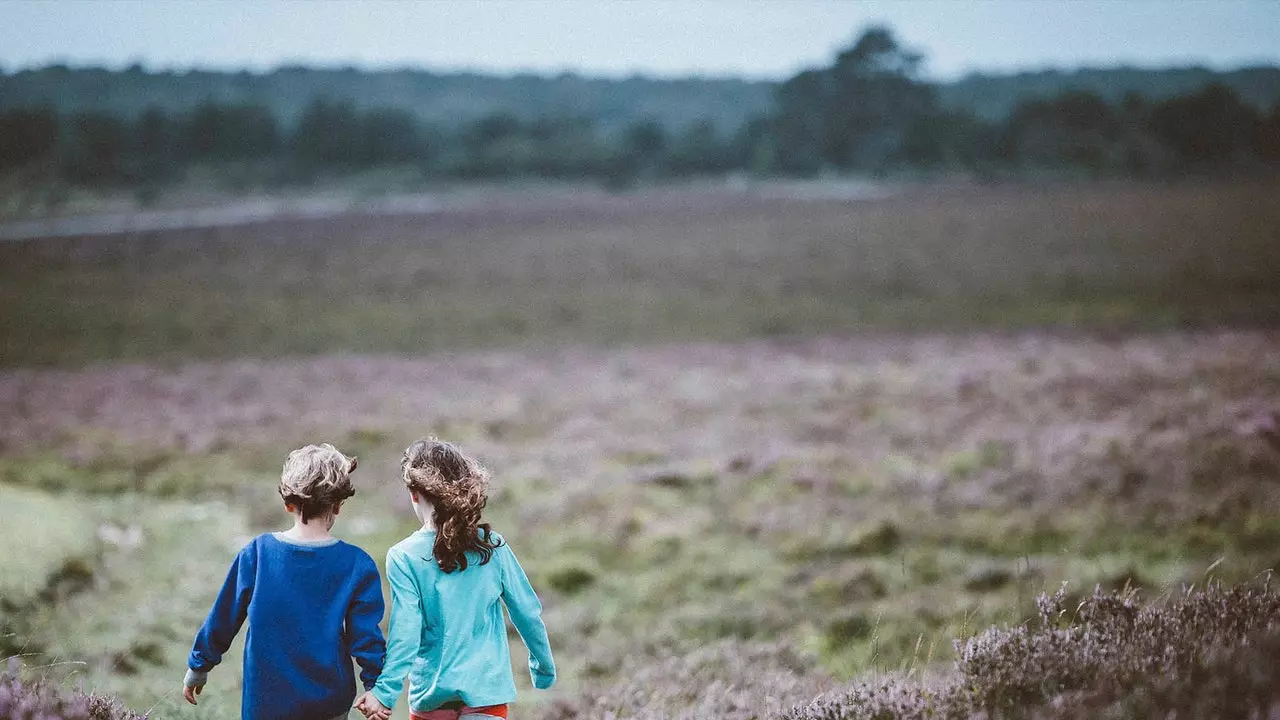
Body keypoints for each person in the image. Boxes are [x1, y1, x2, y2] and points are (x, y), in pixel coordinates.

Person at [183, 443, 386, 720]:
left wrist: (199, 665)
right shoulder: (357, 564)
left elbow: (224, 616)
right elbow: (366, 638)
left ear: (288, 503)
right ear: (338, 506)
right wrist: (376, 687)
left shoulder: (257, 554)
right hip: (329, 704)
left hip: (265, 704)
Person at [356, 438, 554, 720]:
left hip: (430, 698)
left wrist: (384, 693)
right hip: (487, 695)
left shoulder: (402, 556)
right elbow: (527, 611)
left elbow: (406, 633)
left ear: (414, 493)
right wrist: (543, 667)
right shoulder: (492, 546)